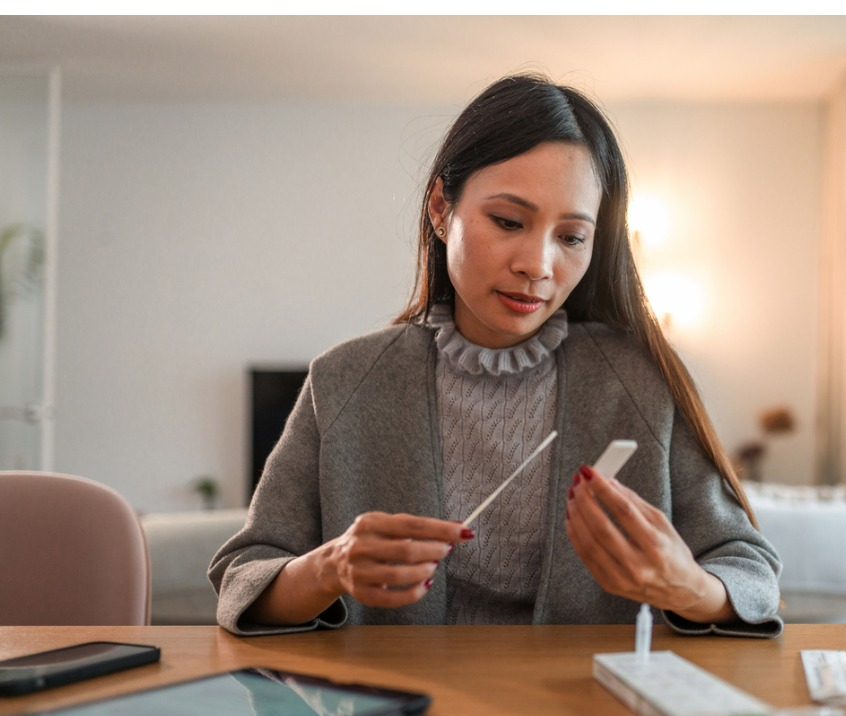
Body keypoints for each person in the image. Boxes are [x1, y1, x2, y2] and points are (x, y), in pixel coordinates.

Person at [209, 73, 782, 638]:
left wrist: (688, 587)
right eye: (508, 222)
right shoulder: (345, 381)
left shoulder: (639, 381)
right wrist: (328, 568)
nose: (537, 264)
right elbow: (244, 577)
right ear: (440, 208)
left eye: (572, 237)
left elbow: (748, 568)